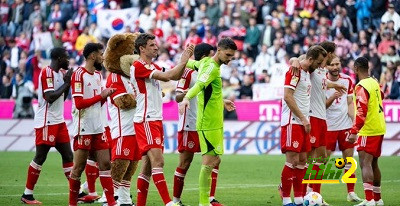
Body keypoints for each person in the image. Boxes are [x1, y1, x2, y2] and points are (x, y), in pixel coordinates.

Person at [131, 33, 194, 206]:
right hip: (146, 119)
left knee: (148, 167)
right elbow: (167, 77)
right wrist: (183, 59)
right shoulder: (139, 66)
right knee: (158, 161)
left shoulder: (152, 66)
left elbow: (174, 76)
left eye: (156, 44)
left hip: (155, 118)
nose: (156, 47)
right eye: (152, 45)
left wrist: (185, 61)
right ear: (142, 49)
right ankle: (168, 203)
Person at [179, 38, 237, 206]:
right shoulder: (211, 68)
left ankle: (207, 200)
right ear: (218, 50)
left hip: (215, 121)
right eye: (227, 55)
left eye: (232, 56)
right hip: (208, 123)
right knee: (208, 162)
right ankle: (204, 202)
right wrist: (186, 98)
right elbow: (199, 85)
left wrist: (222, 100)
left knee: (215, 160)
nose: (229, 59)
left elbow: (189, 64)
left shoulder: (205, 62)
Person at [20, 47, 74, 204]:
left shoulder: (60, 74)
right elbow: (50, 97)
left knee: (68, 155)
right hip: (46, 121)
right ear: (58, 58)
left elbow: (61, 99)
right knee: (40, 156)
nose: (68, 60)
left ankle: (75, 192)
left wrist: (67, 84)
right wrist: (67, 83)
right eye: (66, 57)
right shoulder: (47, 72)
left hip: (59, 121)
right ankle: (27, 194)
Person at [173, 43, 223, 206]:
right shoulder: (188, 72)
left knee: (215, 160)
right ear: (203, 57)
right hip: (189, 124)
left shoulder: (211, 70)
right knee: (185, 163)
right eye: (211, 54)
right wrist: (188, 95)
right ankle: (176, 201)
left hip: (205, 123)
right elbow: (177, 97)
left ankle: (209, 198)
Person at [68, 43, 116, 206]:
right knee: (78, 168)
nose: (103, 57)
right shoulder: (78, 75)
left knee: (105, 164)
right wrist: (101, 95)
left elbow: (97, 103)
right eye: (101, 54)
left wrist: (107, 95)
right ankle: (72, 203)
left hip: (98, 126)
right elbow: (79, 103)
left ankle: (111, 203)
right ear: (92, 56)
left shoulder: (97, 75)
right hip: (84, 128)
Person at [279, 45, 327, 206]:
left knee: (302, 161)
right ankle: (286, 200)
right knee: (291, 161)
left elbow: (300, 58)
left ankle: (299, 198)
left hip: (303, 122)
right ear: (311, 59)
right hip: (293, 121)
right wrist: (303, 118)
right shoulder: (295, 72)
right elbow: (287, 96)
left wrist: (294, 59)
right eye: (318, 62)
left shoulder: (307, 71)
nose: (320, 66)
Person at [348, 57, 386, 206]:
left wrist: (354, 130)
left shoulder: (361, 86)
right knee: (374, 163)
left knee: (365, 163)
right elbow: (381, 97)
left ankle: (369, 200)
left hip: (368, 129)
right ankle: (378, 199)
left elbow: (362, 111)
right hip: (379, 126)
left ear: (356, 68)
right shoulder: (374, 82)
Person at [325, 55, 362, 202]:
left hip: (345, 126)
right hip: (328, 126)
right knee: (321, 160)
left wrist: (354, 122)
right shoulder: (322, 82)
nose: (335, 67)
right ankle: (312, 191)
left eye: (337, 64)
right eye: (332, 65)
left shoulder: (347, 80)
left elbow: (349, 103)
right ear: (326, 66)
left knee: (349, 160)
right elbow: (321, 106)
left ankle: (351, 192)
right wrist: (332, 97)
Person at [105, 64, 141, 206]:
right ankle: (109, 199)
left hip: (137, 128)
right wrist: (143, 98)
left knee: (130, 168)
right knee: (120, 165)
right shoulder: (115, 76)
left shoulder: (132, 76)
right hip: (123, 130)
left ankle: (124, 199)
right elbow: (123, 102)